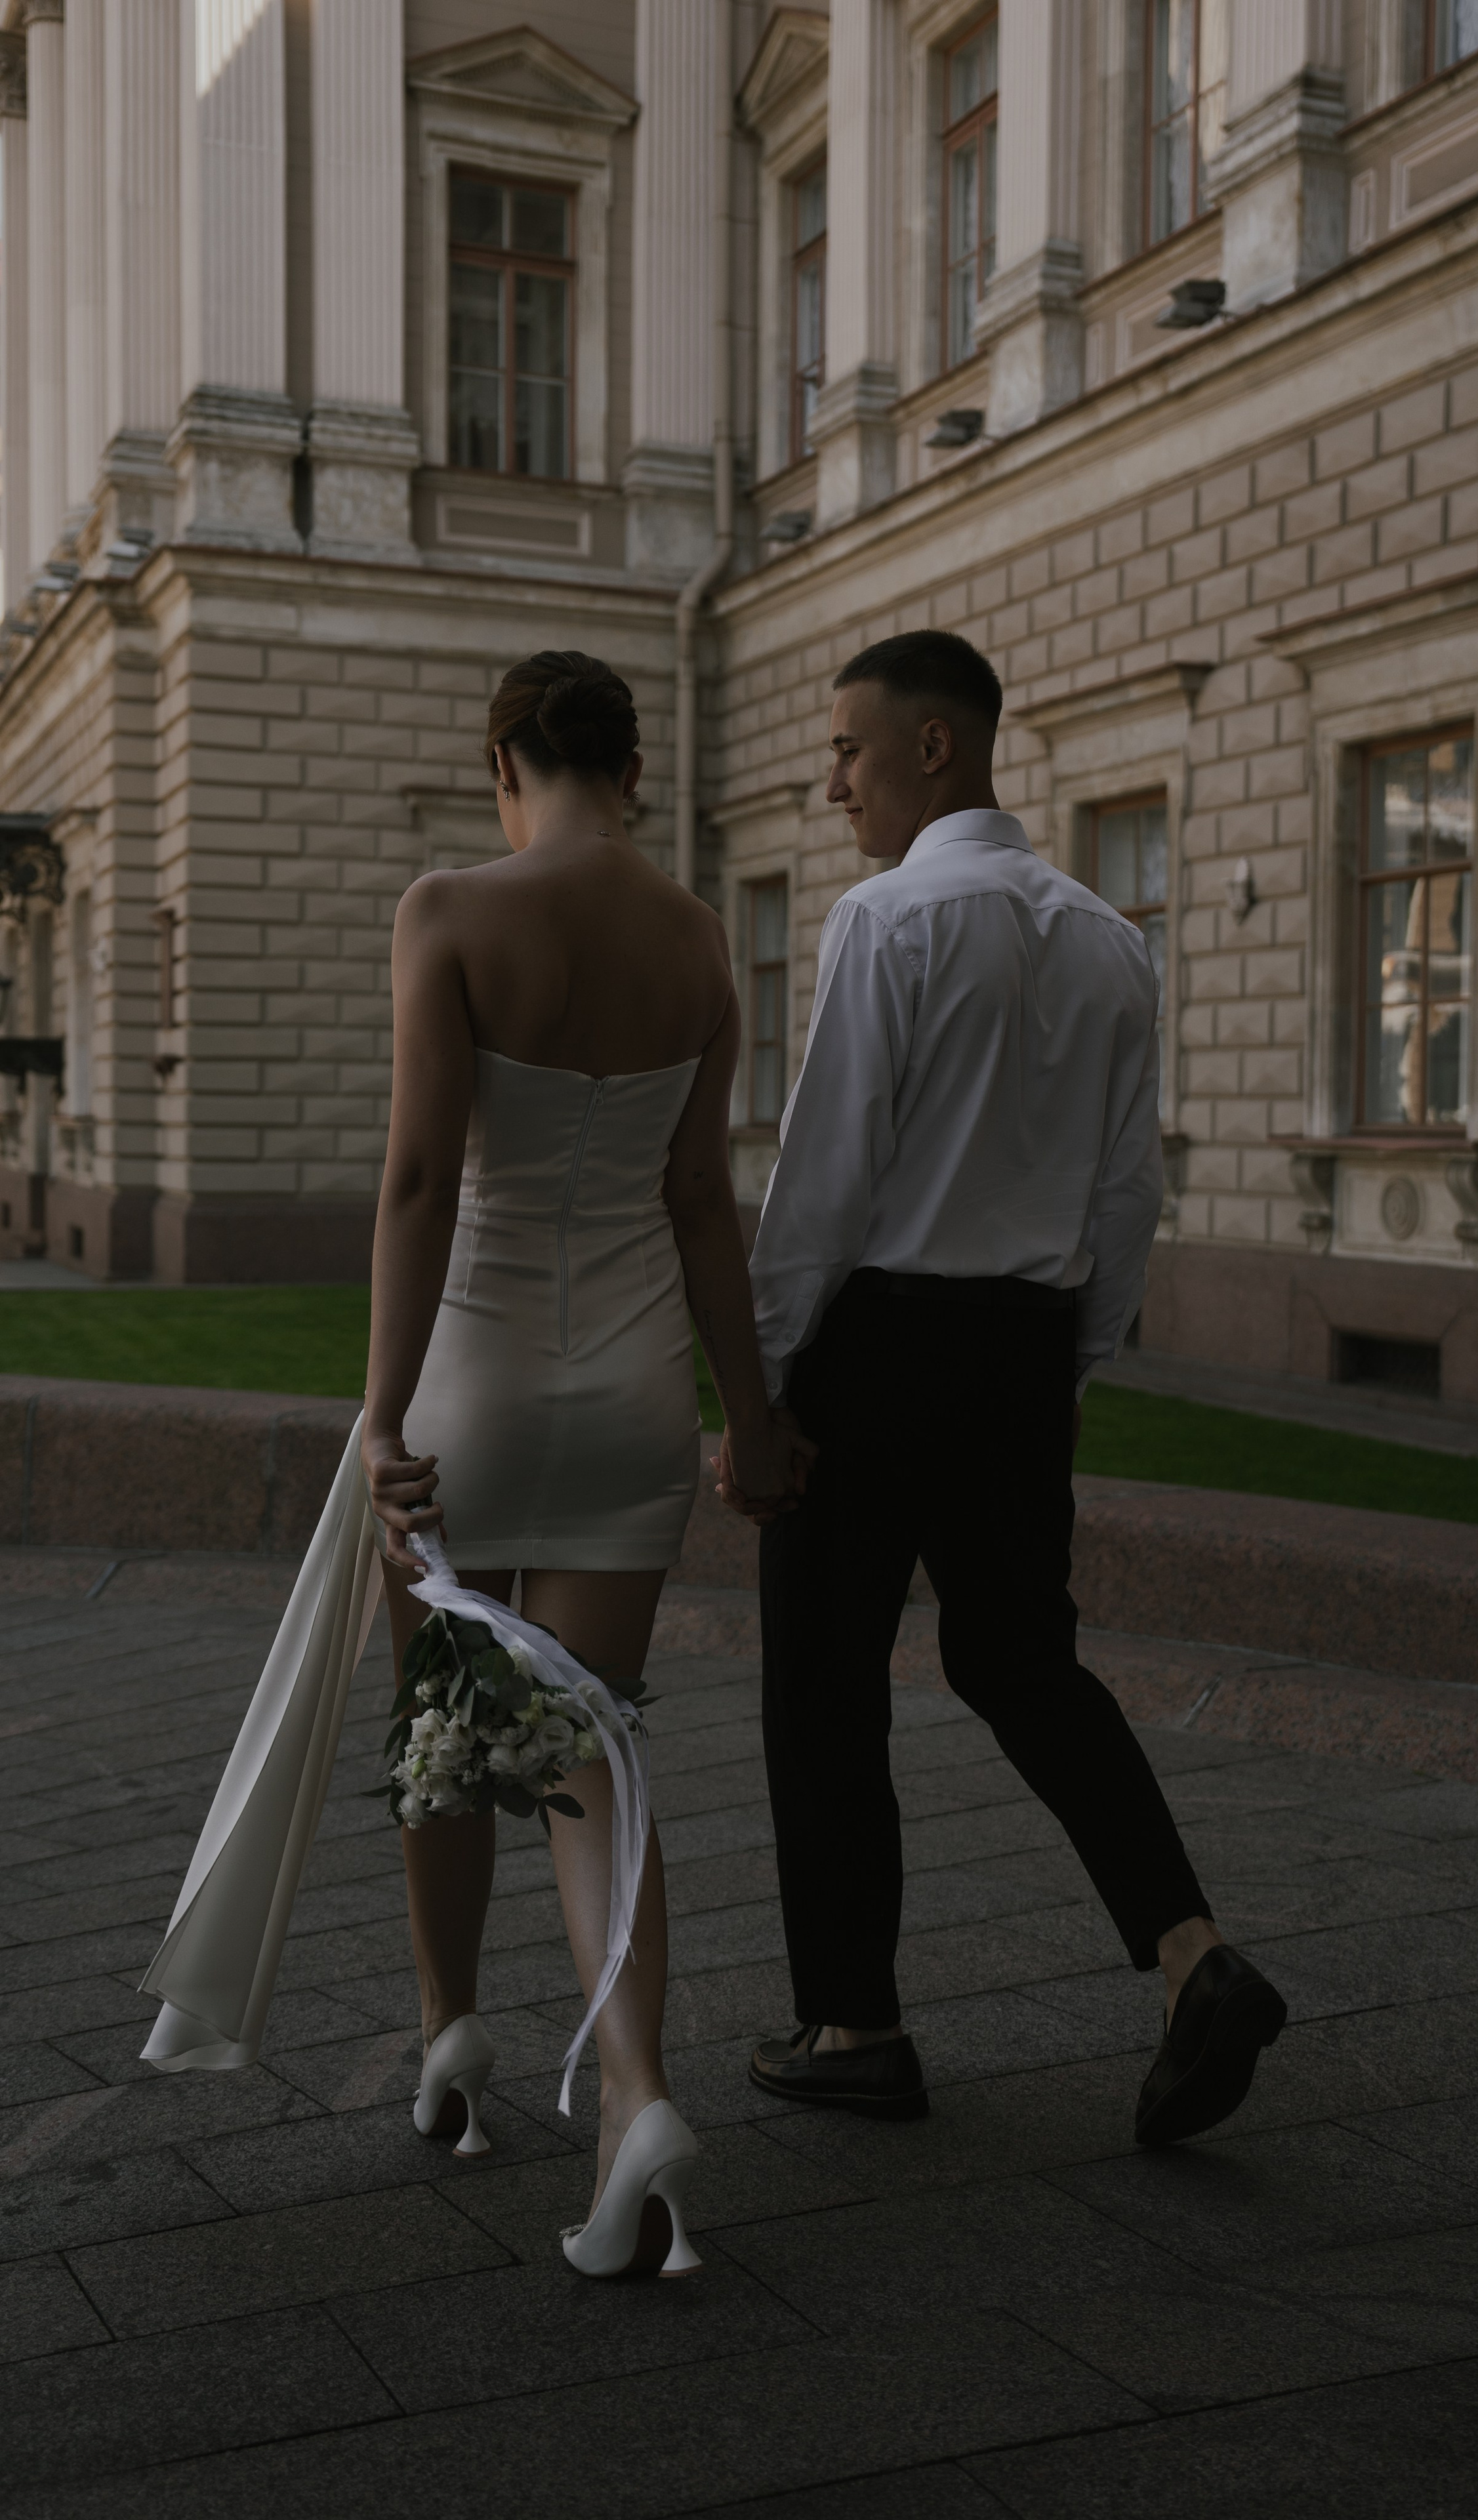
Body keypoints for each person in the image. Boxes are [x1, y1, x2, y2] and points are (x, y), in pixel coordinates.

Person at [717, 629, 1286, 2146]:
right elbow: (1124, 1195)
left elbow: (819, 1186)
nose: (829, 778)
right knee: (1023, 1662)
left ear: (932, 748)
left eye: (846, 747)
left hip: (877, 1343)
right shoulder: (1110, 937)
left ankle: (854, 2023)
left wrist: (759, 1395)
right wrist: (1060, 1365)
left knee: (825, 1683)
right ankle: (1189, 1956)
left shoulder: (886, 920)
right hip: (1023, 1352)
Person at [363, 649, 798, 2274]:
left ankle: (452, 2032)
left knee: (449, 1732)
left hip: (469, 1385)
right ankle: (635, 2090)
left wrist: (379, 1418)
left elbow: (418, 1179)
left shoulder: (448, 912)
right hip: (630, 1395)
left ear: (503, 762)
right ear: (628, 766)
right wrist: (747, 1416)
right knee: (586, 1750)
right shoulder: (697, 943)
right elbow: (702, 1205)